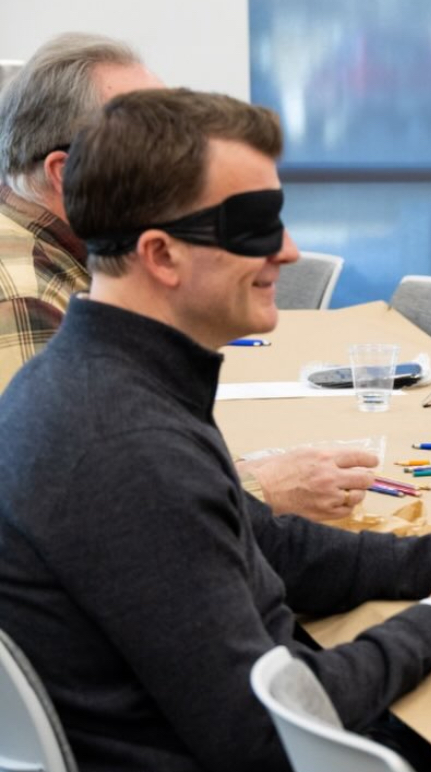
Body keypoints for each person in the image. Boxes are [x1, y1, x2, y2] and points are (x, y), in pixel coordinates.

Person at [0, 87, 431, 770]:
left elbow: (272, 545)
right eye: (253, 226)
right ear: (161, 256)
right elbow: (265, 732)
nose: (287, 251)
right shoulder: (121, 444)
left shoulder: (100, 382)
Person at [0, 32, 376, 521]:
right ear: (66, 174)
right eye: (147, 144)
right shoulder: (20, 293)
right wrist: (259, 487)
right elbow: (74, 510)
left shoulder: (66, 255)